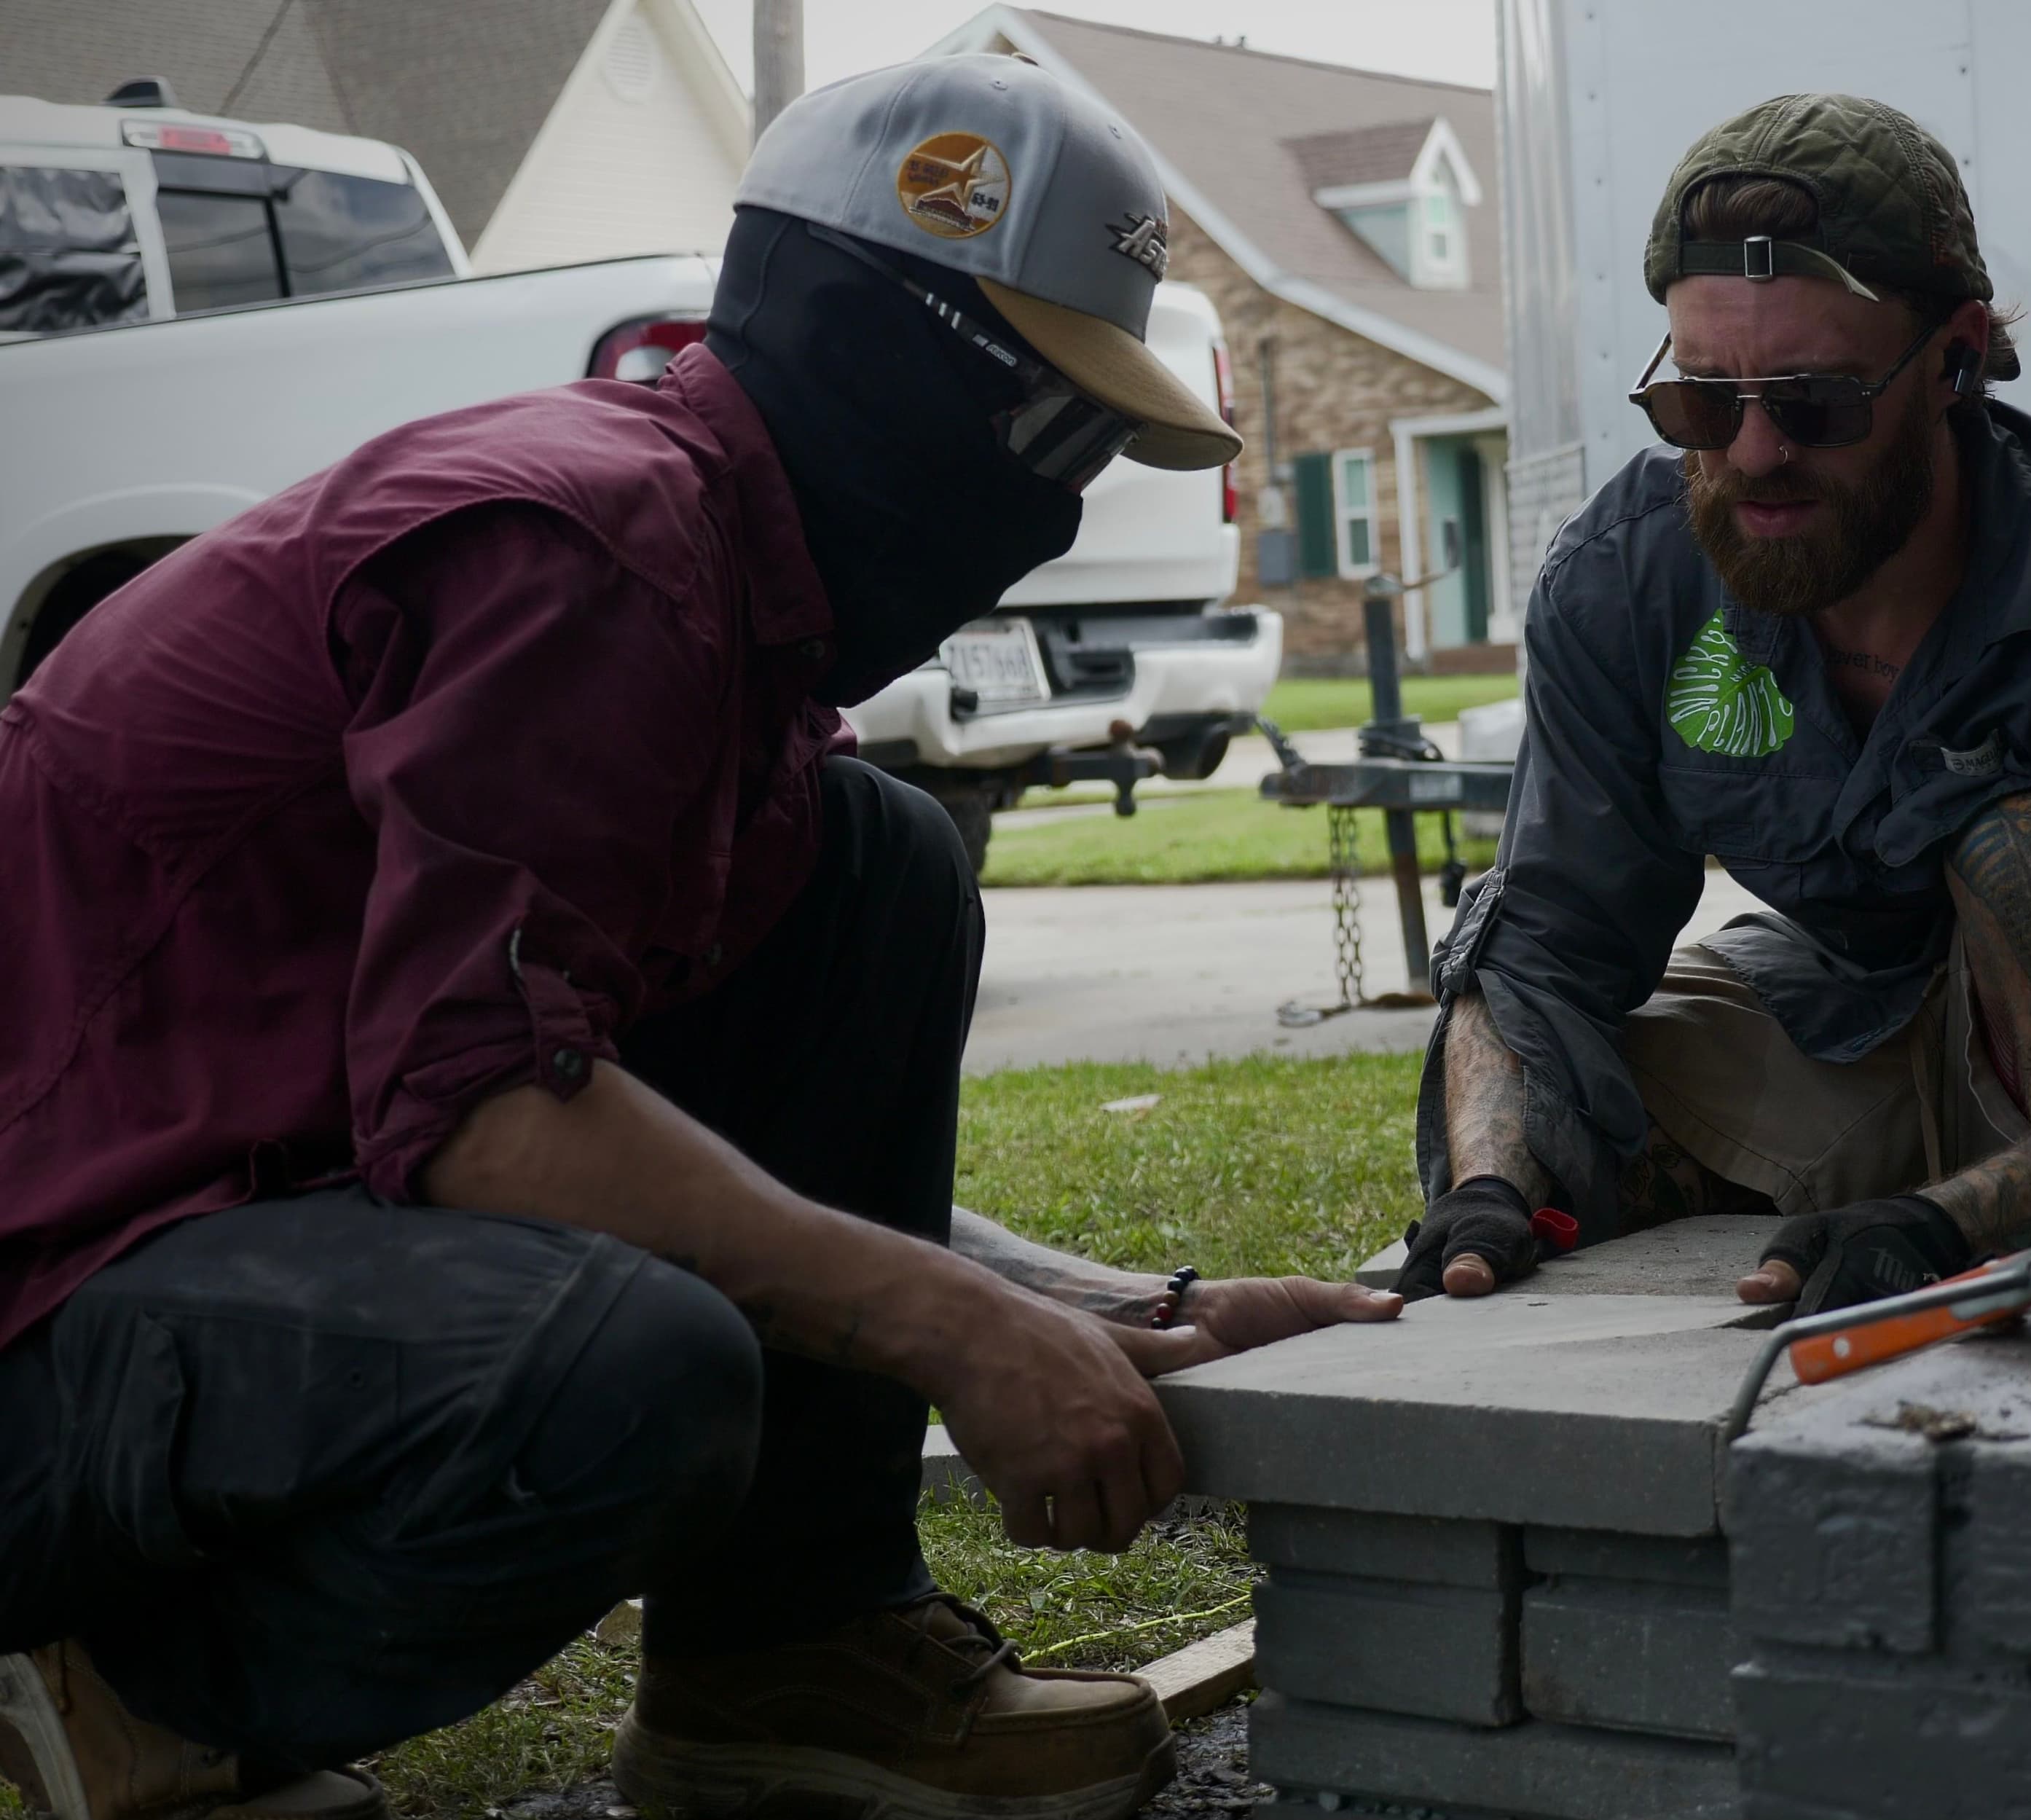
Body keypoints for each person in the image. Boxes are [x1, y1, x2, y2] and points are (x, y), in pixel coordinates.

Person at [0, 55, 1395, 1820]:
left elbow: (654, 1125)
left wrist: (1132, 1308)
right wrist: (961, 1335)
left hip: (220, 1235)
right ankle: (124, 1688)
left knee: (869, 865)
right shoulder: (591, 547)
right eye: (1042, 426)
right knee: (617, 1375)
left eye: (1096, 444)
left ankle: (784, 1655)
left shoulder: (720, 607)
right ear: (885, 357)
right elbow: (492, 1119)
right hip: (42, 1334)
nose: (1049, 501)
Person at [1401, 94, 2031, 1314]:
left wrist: (1936, 1230)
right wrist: (1488, 1179)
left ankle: (2010, 1231)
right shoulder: (1622, 579)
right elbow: (1544, 941)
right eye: (1701, 399)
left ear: (1954, 358)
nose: (1750, 454)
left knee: (2027, 854)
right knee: (1560, 1087)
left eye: (1815, 402)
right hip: (1842, 1009)